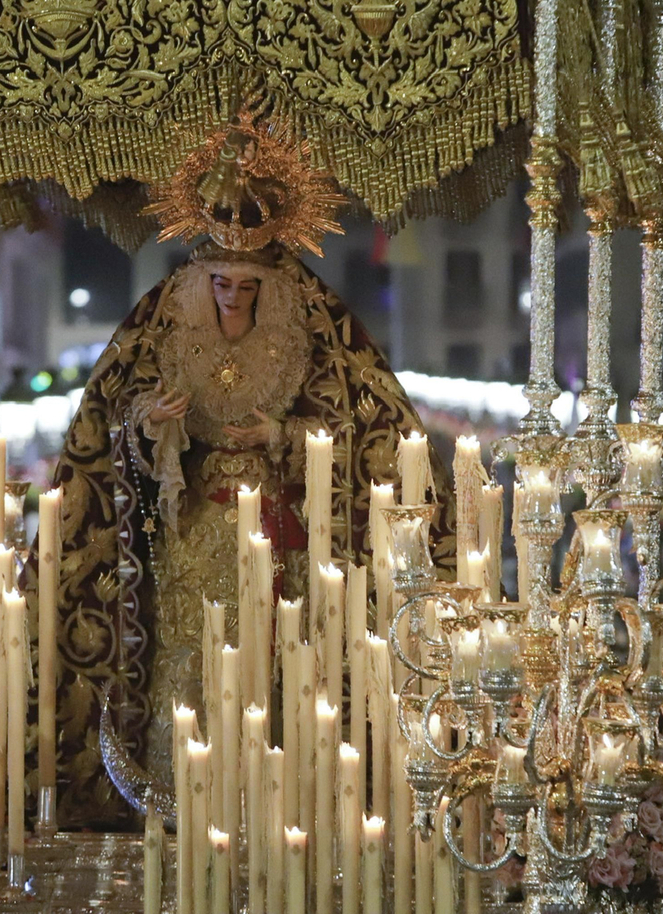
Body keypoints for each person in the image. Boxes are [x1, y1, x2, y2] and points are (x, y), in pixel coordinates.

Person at [46, 111, 450, 827]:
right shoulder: (162, 328)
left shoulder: (312, 329)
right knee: (192, 665)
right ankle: (186, 803)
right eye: (222, 285)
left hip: (279, 537)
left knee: (276, 666)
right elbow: (111, 424)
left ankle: (276, 809)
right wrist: (153, 425)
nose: (233, 298)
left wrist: (282, 434)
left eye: (247, 287)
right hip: (193, 536)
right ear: (203, 282)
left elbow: (357, 425)